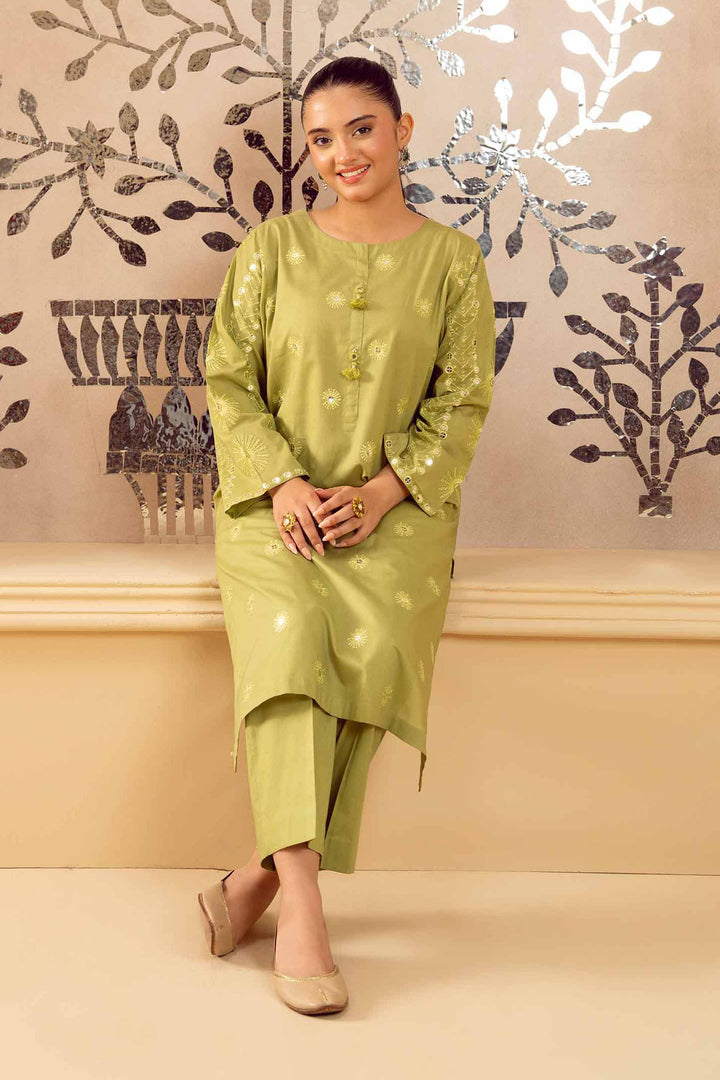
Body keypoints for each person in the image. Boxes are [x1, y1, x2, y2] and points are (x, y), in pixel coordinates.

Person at [197, 55, 496, 1015]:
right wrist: (284, 483)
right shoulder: (272, 248)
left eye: (360, 129)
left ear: (402, 130)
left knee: (376, 648)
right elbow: (228, 380)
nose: (341, 154)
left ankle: (256, 878)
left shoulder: (454, 262)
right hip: (271, 507)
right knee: (291, 644)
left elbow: (463, 402)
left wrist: (378, 494)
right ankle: (304, 907)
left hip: (396, 514)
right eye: (321, 139)